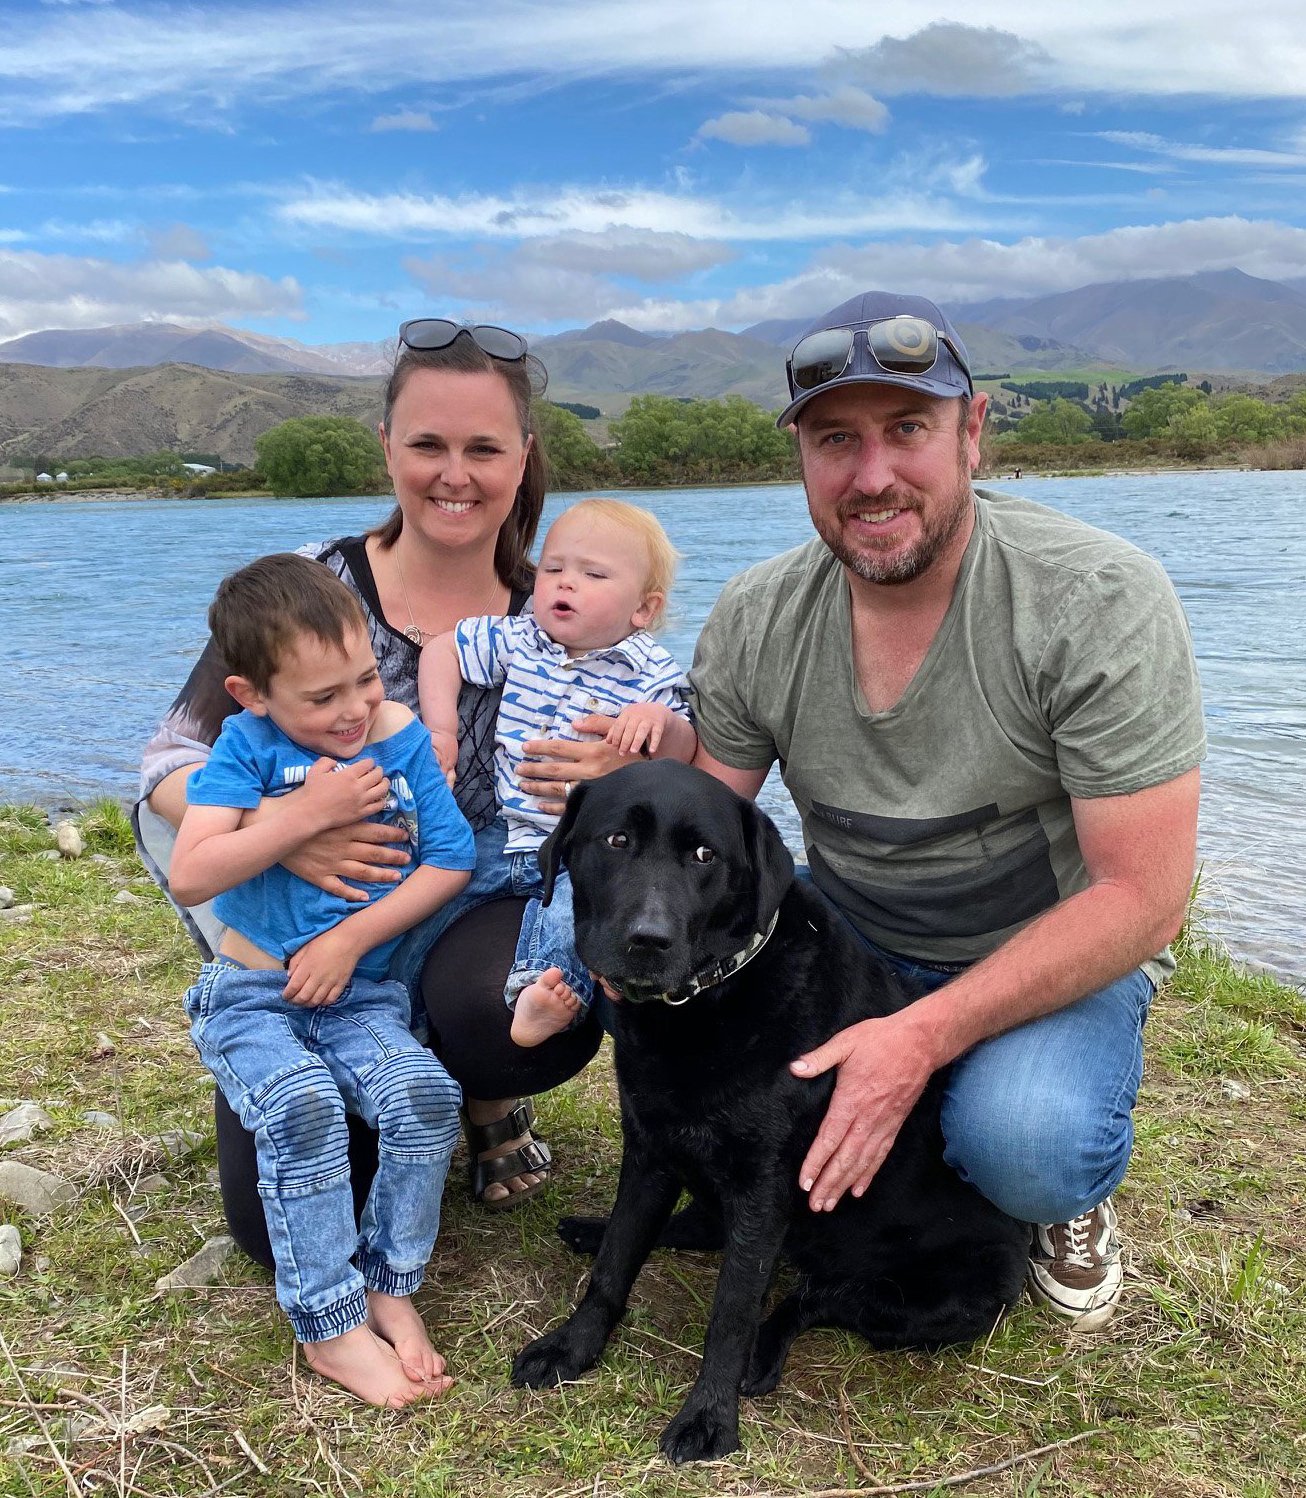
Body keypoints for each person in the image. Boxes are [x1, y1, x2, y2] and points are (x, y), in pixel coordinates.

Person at [688, 290, 1205, 1330]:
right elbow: (706, 829)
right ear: (801, 457)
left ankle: (1060, 1199)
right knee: (621, 950)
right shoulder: (755, 612)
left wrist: (915, 1039)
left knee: (1026, 1145)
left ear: (972, 434)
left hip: (1051, 951)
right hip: (855, 938)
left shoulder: (1096, 597)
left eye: (907, 430)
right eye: (837, 439)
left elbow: (1143, 900)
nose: (871, 476)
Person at [136, 320, 635, 1247]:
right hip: (311, 933)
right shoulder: (312, 590)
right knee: (262, 1223)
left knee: (523, 1009)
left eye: (484, 447)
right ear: (386, 449)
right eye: (428, 445)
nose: (456, 473)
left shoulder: (561, 609)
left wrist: (620, 772)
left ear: (524, 456)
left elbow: (658, 748)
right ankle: (387, 1080)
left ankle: (482, 1089)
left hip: (468, 901)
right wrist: (291, 821)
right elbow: (169, 762)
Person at [171, 555, 476, 1406]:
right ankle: (329, 1326)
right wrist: (302, 817)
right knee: (300, 1105)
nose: (353, 711)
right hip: (252, 996)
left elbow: (451, 856)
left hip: (360, 995)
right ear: (250, 693)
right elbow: (193, 871)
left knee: (424, 1094)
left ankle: (391, 1280)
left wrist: (351, 940)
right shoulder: (245, 750)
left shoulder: (397, 734)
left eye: (365, 679)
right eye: (322, 697)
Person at [419, 498, 696, 1046]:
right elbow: (443, 650)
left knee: (573, 911)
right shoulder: (521, 639)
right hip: (504, 832)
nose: (565, 584)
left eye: (592, 574)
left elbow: (686, 748)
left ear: (643, 608)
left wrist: (656, 720)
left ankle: (544, 992)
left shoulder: (648, 671)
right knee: (431, 897)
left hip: (581, 847)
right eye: (552, 569)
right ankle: (394, 1003)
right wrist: (441, 730)